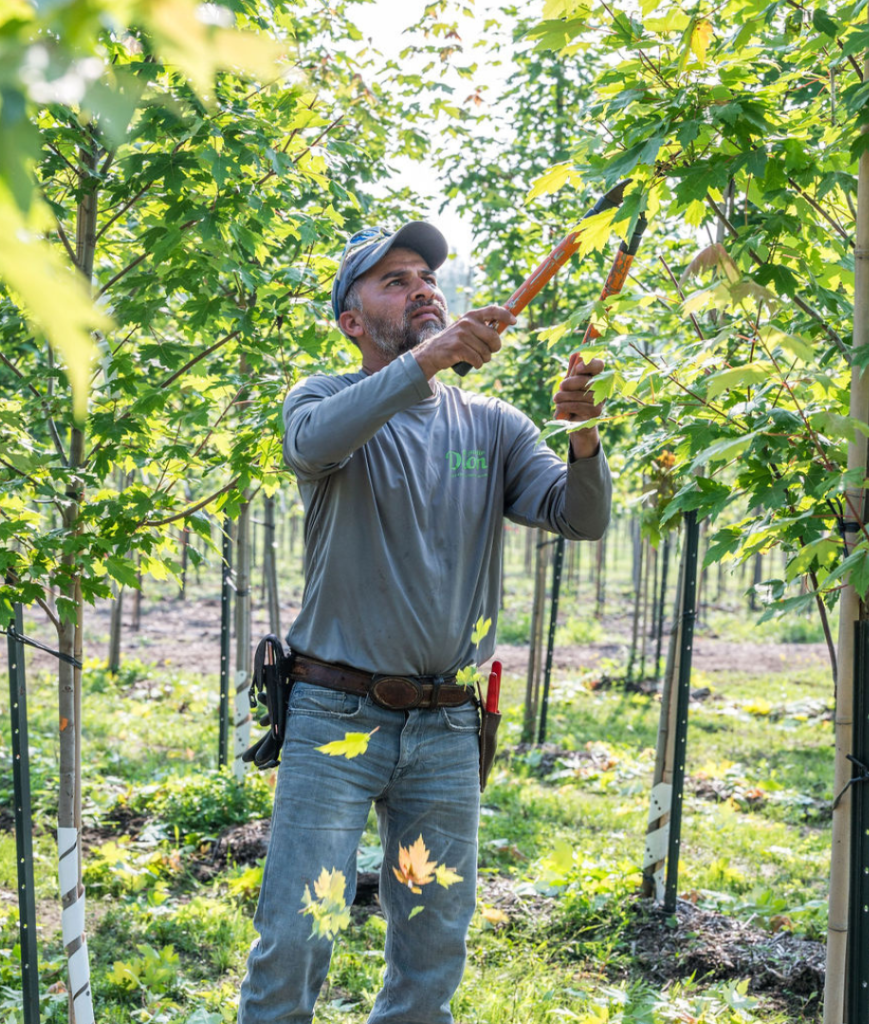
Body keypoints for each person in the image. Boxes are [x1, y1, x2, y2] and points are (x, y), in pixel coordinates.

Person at [238, 222, 612, 1024]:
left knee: (432, 941)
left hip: (446, 728)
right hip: (335, 717)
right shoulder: (324, 400)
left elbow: (579, 517)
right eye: (395, 280)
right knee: (302, 932)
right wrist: (428, 363)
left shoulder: (494, 427)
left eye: (427, 277)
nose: (422, 289)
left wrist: (583, 432)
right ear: (352, 319)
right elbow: (311, 447)